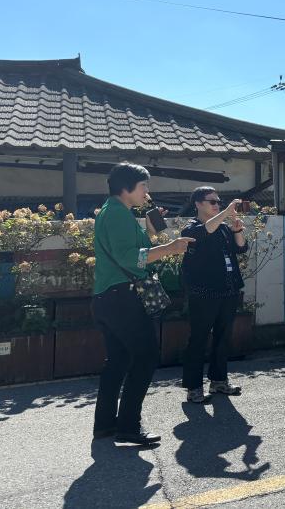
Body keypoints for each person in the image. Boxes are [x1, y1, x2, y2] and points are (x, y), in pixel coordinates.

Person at [92, 163, 193, 445]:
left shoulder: (113, 211)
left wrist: (150, 231)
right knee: (146, 357)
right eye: (143, 186)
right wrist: (170, 248)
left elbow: (134, 253)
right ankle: (128, 426)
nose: (147, 192)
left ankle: (105, 425)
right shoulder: (117, 214)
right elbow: (130, 258)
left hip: (109, 297)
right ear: (126, 188)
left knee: (119, 360)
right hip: (123, 298)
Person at [180, 188, 248, 404]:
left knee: (223, 336)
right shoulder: (192, 228)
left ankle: (219, 380)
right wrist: (226, 213)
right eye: (212, 202)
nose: (217, 205)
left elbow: (241, 248)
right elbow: (203, 232)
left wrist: (237, 230)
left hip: (228, 289)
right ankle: (193, 387)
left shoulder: (224, 228)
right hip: (203, 291)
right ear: (198, 204)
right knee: (198, 338)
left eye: (219, 202)